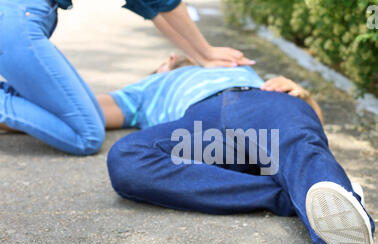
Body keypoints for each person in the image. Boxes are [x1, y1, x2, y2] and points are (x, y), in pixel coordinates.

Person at [104, 54, 378, 244]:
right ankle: (302, 197)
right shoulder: (147, 87)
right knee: (126, 157)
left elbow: (315, 127)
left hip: (260, 103)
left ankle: (340, 237)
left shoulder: (227, 60)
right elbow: (85, 112)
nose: (171, 57)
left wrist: (304, 95)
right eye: (164, 62)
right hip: (199, 129)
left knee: (300, 144)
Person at [0, 0, 253, 155]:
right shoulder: (147, 93)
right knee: (87, 137)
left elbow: (153, 8)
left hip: (21, 19)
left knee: (92, 120)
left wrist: (200, 55)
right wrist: (205, 53)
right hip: (17, 19)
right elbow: (163, 3)